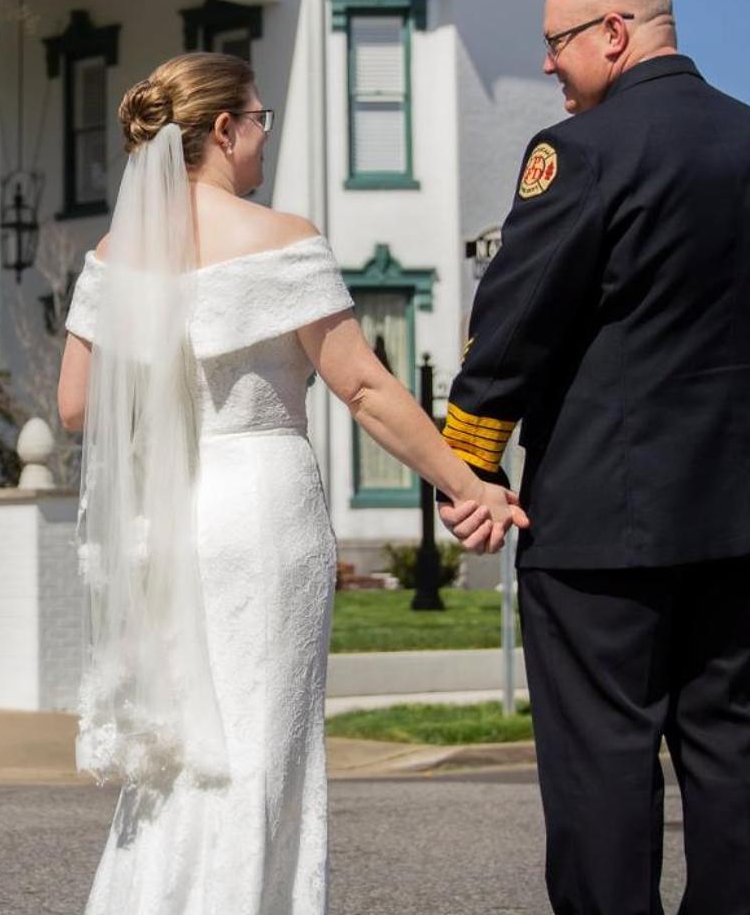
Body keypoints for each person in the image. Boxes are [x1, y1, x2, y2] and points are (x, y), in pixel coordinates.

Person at [57, 51, 524, 915]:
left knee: (183, 748)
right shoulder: (282, 239)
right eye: (261, 119)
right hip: (264, 509)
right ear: (225, 131)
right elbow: (365, 386)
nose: (266, 135)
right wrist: (467, 484)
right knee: (264, 748)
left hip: (178, 511)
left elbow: (78, 406)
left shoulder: (117, 254)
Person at [437, 0, 750, 915]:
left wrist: (466, 464)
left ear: (613, 34)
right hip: (737, 511)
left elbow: (518, 318)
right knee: (729, 742)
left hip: (600, 518)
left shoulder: (580, 153)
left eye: (557, 43)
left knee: (603, 761)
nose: (547, 67)